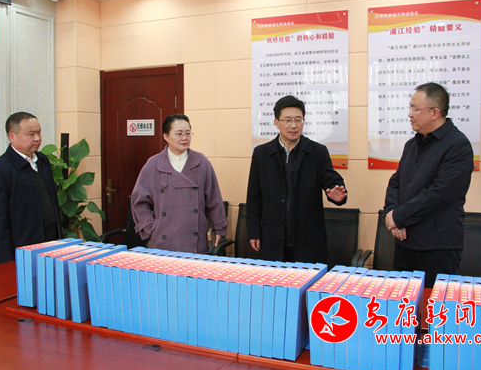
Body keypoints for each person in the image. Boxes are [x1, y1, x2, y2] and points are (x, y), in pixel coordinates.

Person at [384, 82, 474, 288]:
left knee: (434, 304)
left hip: (436, 247)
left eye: (415, 109)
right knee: (403, 303)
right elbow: (396, 182)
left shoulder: (457, 145)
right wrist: (392, 214)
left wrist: (399, 216)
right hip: (404, 241)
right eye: (410, 108)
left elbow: (440, 194)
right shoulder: (412, 144)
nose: (410, 114)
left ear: (435, 113)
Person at [246, 95, 348, 264]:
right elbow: (254, 198)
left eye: (298, 120)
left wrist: (337, 194)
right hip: (273, 239)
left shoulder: (317, 152)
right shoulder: (262, 154)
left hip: (309, 241)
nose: (293, 125)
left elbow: (332, 181)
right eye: (288, 120)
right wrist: (253, 231)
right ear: (276, 122)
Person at [131, 114, 228, 254]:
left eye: (188, 133)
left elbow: (214, 199)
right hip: (162, 241)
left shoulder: (201, 162)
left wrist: (219, 228)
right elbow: (139, 202)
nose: (184, 138)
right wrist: (151, 228)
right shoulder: (153, 164)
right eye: (179, 134)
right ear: (166, 136)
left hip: (195, 242)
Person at [0, 112, 63, 264]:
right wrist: (6, 262)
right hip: (24, 252)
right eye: (31, 134)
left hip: (53, 246)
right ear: (12, 137)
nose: (37, 138)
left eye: (39, 132)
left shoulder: (42, 161)